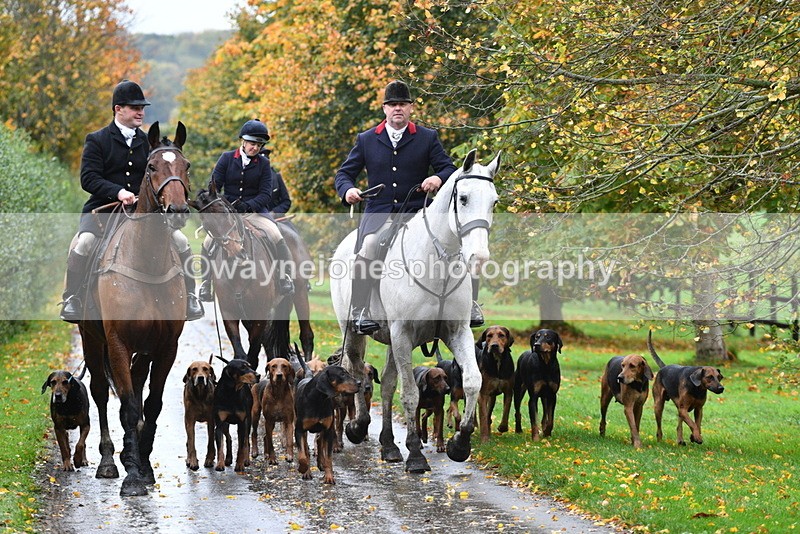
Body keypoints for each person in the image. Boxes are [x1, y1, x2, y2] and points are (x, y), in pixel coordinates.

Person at [334, 80, 484, 335]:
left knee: (462, 244)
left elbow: (448, 168)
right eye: (392, 105)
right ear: (384, 109)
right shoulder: (367, 139)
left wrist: (438, 178)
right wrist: (348, 190)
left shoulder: (427, 137)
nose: (397, 109)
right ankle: (360, 310)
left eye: (402, 104)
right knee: (370, 245)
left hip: (419, 211)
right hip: (381, 212)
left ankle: (471, 304)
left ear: (411, 107)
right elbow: (344, 174)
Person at [59, 80, 204, 323]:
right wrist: (118, 192)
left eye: (142, 107)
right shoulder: (97, 139)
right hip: (103, 211)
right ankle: (72, 297)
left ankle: (190, 296)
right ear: (118, 109)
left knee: (180, 240)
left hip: (141, 211)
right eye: (134, 107)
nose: (141, 112)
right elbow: (88, 178)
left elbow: (155, 176)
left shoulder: (148, 142)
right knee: (84, 243)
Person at [197, 119, 295, 302]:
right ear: (243, 141)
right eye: (252, 143)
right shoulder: (226, 158)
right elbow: (214, 188)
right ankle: (206, 283)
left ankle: (284, 277)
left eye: (259, 145)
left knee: (276, 235)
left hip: (256, 212)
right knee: (208, 242)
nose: (255, 148)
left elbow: (266, 194)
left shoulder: (264, 164)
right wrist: (225, 206)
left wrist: (248, 206)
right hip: (228, 213)